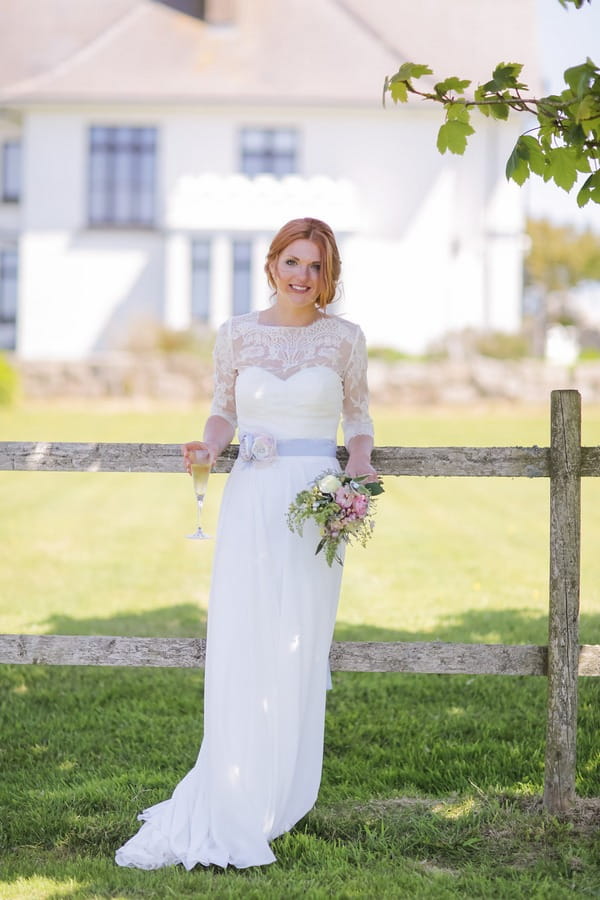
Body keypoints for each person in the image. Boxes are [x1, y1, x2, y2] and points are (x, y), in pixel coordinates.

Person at [115, 217, 376, 870]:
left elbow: (360, 417)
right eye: (293, 262)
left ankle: (281, 786)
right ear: (272, 264)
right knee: (245, 638)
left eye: (315, 267)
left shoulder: (345, 339)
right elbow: (223, 409)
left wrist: (363, 464)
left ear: (328, 275)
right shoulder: (236, 333)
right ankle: (233, 788)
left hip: (317, 507)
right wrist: (208, 444)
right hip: (253, 497)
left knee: (298, 642)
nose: (302, 276)